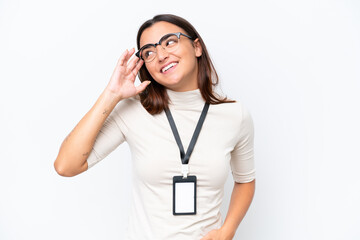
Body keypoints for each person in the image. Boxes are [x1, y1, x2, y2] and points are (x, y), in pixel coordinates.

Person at [54, 14, 256, 240]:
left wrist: (228, 230)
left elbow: (245, 180)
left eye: (170, 41)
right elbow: (66, 166)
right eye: (149, 52)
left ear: (197, 47)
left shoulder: (235, 115)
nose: (160, 55)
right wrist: (111, 95)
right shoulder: (134, 110)